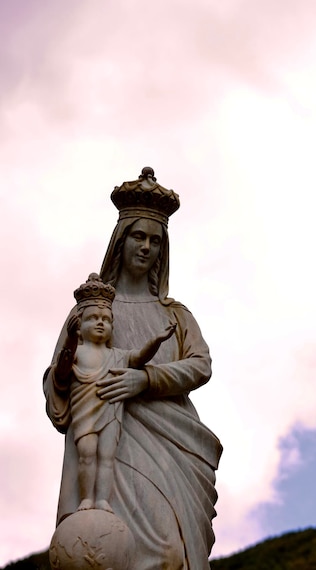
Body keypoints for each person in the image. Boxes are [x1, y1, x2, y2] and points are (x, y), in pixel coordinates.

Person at [44, 168, 222, 570]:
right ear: (120, 241)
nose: (147, 247)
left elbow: (200, 364)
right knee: (102, 553)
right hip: (107, 434)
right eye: (138, 237)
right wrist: (68, 376)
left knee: (169, 554)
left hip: (170, 443)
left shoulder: (174, 315)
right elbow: (58, 381)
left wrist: (145, 379)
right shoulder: (90, 311)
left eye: (156, 241)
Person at [57, 273, 176, 514]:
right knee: (87, 454)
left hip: (111, 412)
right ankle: (86, 499)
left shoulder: (118, 356)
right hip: (84, 413)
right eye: (93, 319)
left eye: (106, 319)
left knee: (107, 456)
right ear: (80, 326)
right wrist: (69, 339)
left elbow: (140, 356)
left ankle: (102, 499)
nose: (101, 323)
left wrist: (157, 340)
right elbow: (61, 371)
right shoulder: (77, 351)